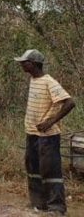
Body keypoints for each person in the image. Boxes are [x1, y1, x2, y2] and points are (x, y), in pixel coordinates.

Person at [16, 49, 76, 214]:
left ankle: (56, 207)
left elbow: (70, 103)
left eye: (24, 62)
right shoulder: (34, 80)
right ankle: (39, 203)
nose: (21, 64)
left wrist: (50, 121)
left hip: (47, 136)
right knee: (33, 168)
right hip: (32, 133)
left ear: (34, 64)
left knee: (50, 170)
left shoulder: (49, 81)